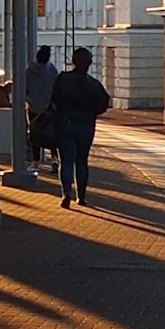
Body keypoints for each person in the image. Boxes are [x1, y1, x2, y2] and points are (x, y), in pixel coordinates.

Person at [51, 47, 110, 210]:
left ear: (73, 61)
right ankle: (82, 196)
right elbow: (102, 105)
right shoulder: (93, 84)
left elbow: (53, 98)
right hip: (85, 125)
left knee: (66, 160)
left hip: (65, 123)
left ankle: (66, 194)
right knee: (82, 161)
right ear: (89, 64)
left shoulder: (62, 78)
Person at [26, 44, 60, 166]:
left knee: (35, 133)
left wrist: (29, 100)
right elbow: (57, 87)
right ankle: (55, 158)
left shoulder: (28, 72)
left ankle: (36, 161)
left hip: (34, 107)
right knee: (51, 132)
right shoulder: (52, 70)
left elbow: (24, 90)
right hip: (49, 108)